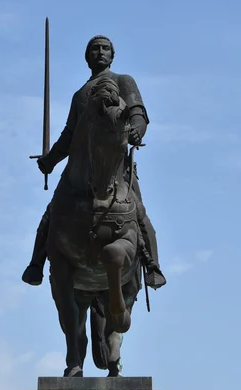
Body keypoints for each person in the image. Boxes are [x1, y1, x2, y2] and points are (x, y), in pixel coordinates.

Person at [22, 35, 166, 290]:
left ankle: (152, 264)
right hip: (81, 169)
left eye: (105, 48)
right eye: (95, 49)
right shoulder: (79, 95)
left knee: (139, 212)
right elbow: (70, 134)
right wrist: (51, 160)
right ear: (87, 57)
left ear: (112, 55)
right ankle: (37, 263)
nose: (100, 52)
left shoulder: (123, 81)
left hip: (116, 168)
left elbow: (138, 113)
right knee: (53, 210)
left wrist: (136, 131)